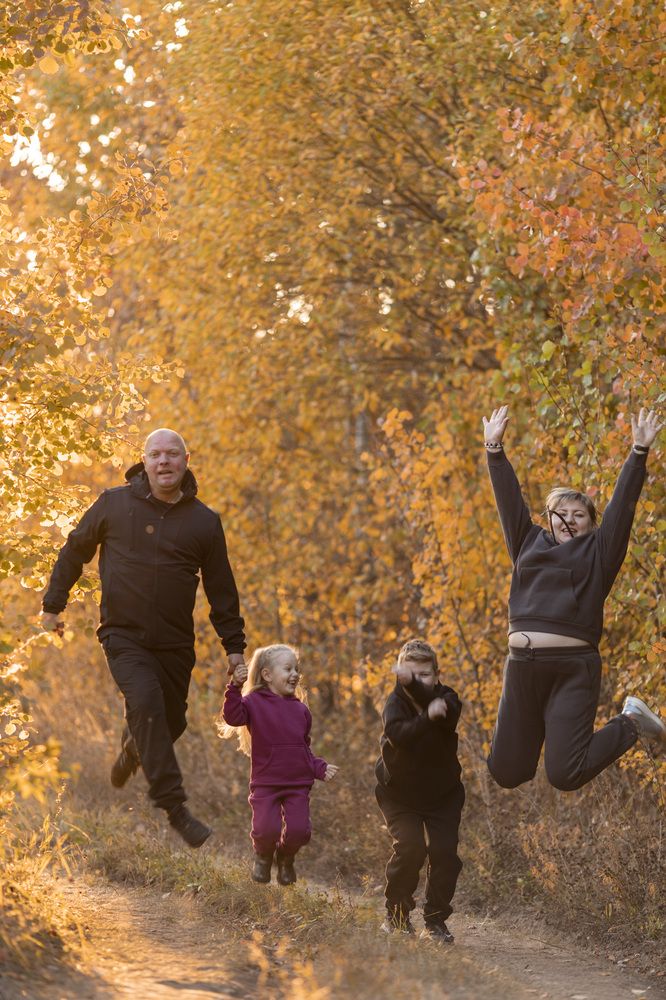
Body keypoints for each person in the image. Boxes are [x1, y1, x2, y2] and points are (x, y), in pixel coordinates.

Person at [40, 428, 246, 847]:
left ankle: (134, 748)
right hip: (123, 636)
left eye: (172, 454)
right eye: (156, 455)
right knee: (147, 704)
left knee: (172, 721)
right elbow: (75, 549)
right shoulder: (114, 504)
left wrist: (235, 649)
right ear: (145, 461)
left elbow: (222, 589)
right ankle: (176, 808)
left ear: (186, 460)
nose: (164, 461)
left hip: (175, 644)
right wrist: (52, 605)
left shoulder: (204, 522)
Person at [483, 405, 665, 792]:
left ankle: (632, 722)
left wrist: (638, 452)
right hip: (522, 670)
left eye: (578, 514)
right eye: (560, 513)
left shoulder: (599, 552)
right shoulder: (527, 541)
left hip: (573, 669)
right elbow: (508, 501)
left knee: (566, 774)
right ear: (549, 518)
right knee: (506, 771)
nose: (568, 520)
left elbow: (621, 509)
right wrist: (494, 449)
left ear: (591, 523)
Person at [219, 644, 338, 885]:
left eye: (296, 669)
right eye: (287, 669)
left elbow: (303, 749)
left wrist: (319, 767)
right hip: (266, 782)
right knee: (266, 829)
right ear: (267, 675)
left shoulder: (301, 710)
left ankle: (285, 857)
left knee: (300, 831)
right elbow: (232, 716)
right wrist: (235, 687)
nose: (295, 674)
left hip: (297, 784)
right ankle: (263, 857)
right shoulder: (253, 702)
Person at [374, 639, 464, 942]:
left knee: (444, 853)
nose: (418, 682)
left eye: (424, 675)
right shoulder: (395, 703)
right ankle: (397, 916)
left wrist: (431, 706)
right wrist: (426, 715)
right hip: (399, 794)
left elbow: (447, 717)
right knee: (411, 847)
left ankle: (435, 921)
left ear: (437, 675)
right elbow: (400, 736)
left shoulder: (447, 698)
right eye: (411, 676)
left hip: (443, 795)